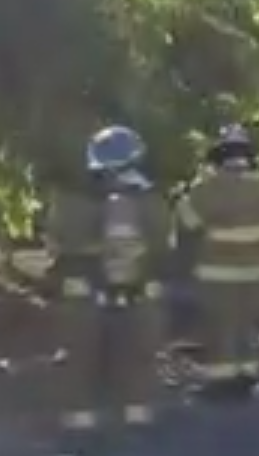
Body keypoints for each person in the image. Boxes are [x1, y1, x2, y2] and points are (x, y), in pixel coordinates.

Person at [44, 125, 171, 431]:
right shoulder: (150, 200)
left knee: (79, 359)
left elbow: (54, 244)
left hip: (82, 294)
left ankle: (80, 424)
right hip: (136, 292)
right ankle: (136, 421)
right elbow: (163, 244)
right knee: (137, 358)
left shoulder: (69, 201)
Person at [175, 124, 259, 402]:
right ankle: (247, 378)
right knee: (248, 329)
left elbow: (187, 221)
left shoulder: (206, 188)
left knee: (220, 330)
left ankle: (220, 384)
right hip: (255, 273)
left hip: (217, 273)